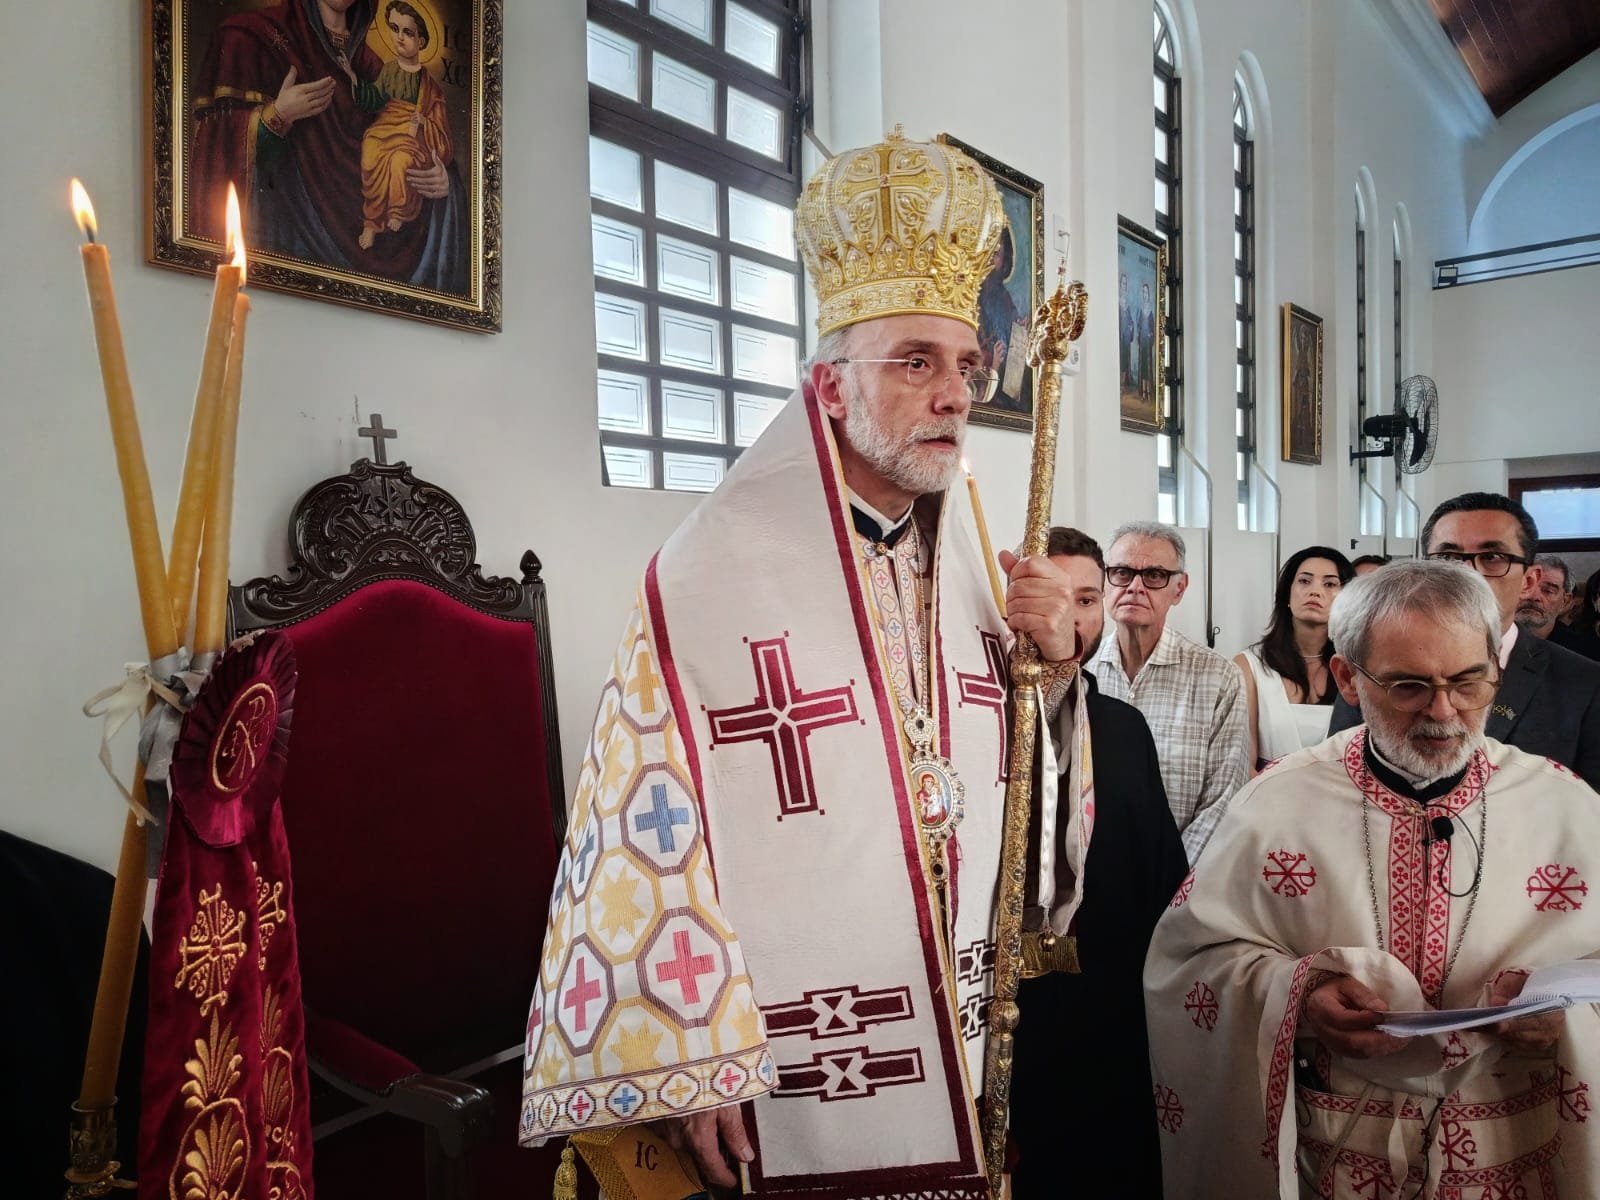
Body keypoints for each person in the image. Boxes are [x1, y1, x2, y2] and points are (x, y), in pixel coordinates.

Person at [520, 130, 1081, 1194]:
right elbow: (639, 827)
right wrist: (693, 1058)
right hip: (779, 1048)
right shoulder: (706, 575)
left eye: (965, 365)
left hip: (952, 1019)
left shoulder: (971, 558)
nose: (955, 394)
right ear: (827, 387)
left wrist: (1050, 674)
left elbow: (1012, 812)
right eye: (914, 362)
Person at [1145, 560, 1600, 1198]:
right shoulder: (1275, 803)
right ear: (1347, 678)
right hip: (1341, 1158)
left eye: (1468, 681)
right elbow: (1189, 962)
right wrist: (1301, 993)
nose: (1444, 711)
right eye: (1409, 686)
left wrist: (1567, 1015)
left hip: (1515, 1154)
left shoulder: (1565, 805)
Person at [1009, 527, 1187, 1198]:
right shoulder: (981, 717)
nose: (1071, 619)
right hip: (1013, 999)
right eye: (1053, 598)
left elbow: (1159, 873)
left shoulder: (1122, 726)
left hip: (1107, 995)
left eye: (1086, 600)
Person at [190, 0, 468, 290]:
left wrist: (443, 182)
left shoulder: (373, 69)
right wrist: (277, 116)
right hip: (286, 246)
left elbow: (415, 138)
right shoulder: (250, 39)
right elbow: (217, 149)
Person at [1330, 492, 1600, 790]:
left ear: (1530, 580)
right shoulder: (1374, 662)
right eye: (1447, 558)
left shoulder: (1584, 683)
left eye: (1492, 558)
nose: (1466, 573)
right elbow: (1341, 773)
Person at [1092, 521, 1250, 861]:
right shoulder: (1082, 671)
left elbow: (1222, 801)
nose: (1135, 587)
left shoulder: (1218, 677)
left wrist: (1174, 881)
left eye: (1154, 575)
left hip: (1180, 875)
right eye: (1122, 573)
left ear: (1178, 589)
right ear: (1105, 581)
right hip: (1087, 875)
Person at [1235, 547, 1354, 767]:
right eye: (1304, 581)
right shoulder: (1249, 665)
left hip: (1340, 785)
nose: (1315, 591)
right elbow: (1242, 762)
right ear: (1287, 593)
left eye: (1329, 584)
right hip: (1265, 786)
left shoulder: (1354, 667)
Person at [356, 2, 453, 251]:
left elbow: (439, 128)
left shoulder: (429, 85)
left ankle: (398, 211)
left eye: (407, 32)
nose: (399, 37)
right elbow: (376, 99)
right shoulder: (388, 70)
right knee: (369, 151)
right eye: (394, 28)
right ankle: (372, 221)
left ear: (421, 41)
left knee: (400, 161)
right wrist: (354, 81)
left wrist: (424, 122)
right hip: (384, 129)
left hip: (411, 138)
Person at [1518, 553, 1600, 661]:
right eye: (1525, 587)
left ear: (1565, 602)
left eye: (1548, 591)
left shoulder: (1587, 653)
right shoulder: (1494, 642)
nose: (1534, 596)